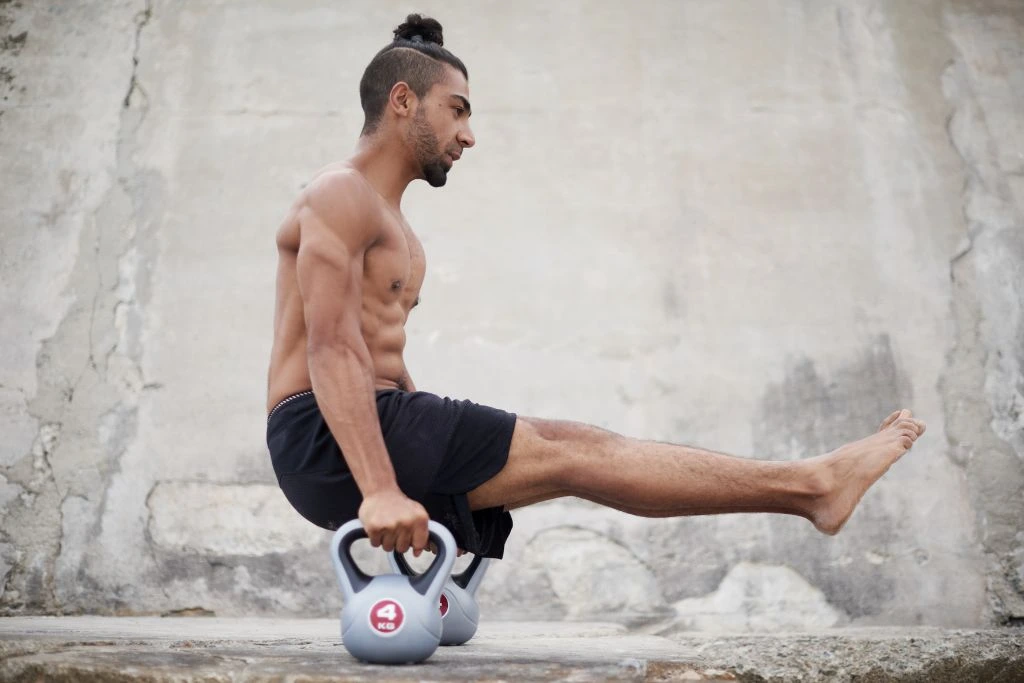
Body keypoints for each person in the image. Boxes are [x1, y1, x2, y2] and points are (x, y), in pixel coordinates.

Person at [265, 14, 926, 560]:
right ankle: (813, 484)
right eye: (456, 110)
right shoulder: (339, 193)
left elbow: (382, 361)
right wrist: (380, 487)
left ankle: (811, 487)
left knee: (571, 459)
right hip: (322, 431)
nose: (469, 134)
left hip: (371, 425)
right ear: (402, 98)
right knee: (577, 449)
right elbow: (333, 348)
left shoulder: (394, 226)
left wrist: (433, 483)